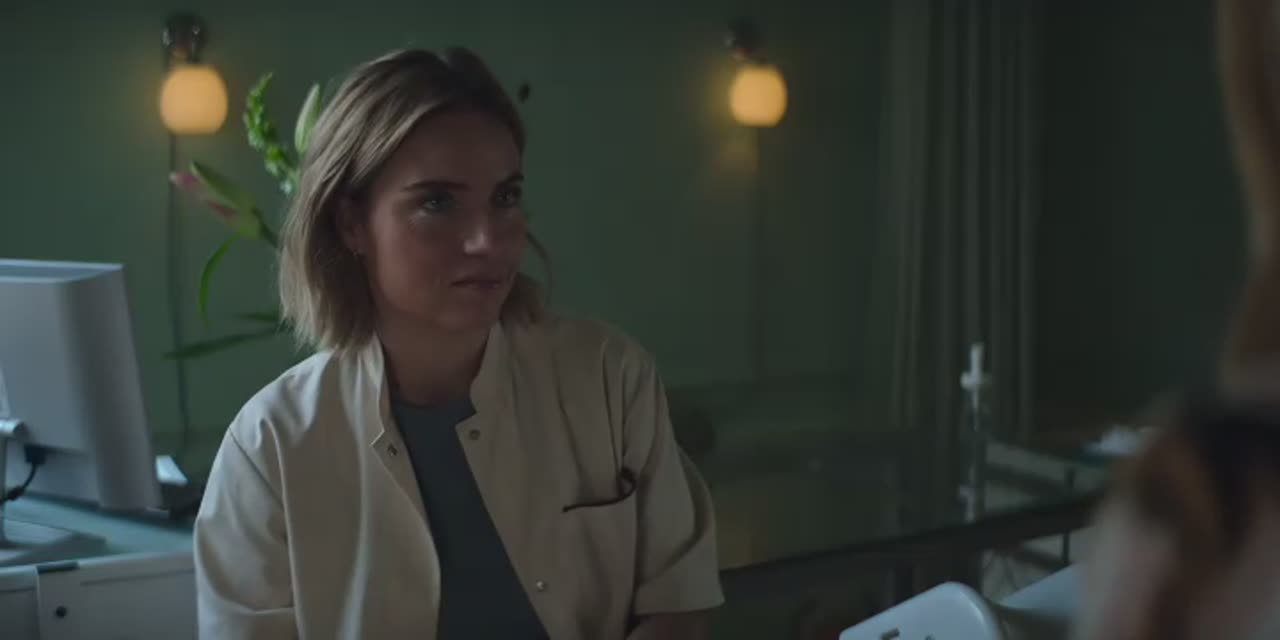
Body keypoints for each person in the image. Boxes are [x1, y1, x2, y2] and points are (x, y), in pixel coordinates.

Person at [193, 47, 723, 639]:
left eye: (505, 197)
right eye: (437, 203)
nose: (485, 240)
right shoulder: (270, 447)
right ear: (351, 224)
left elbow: (679, 602)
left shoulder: (608, 376)